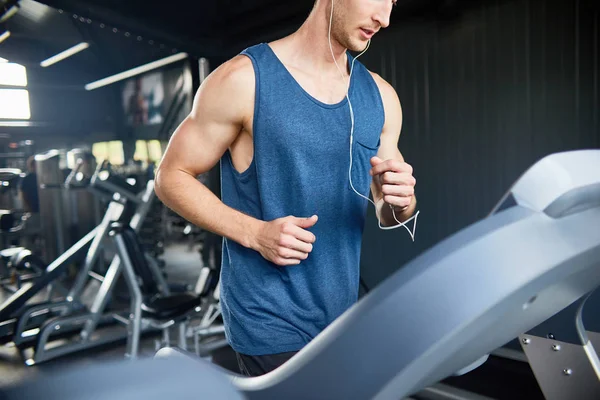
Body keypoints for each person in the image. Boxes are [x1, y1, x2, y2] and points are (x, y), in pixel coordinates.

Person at [155, 0, 417, 377]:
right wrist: (256, 233)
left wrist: (402, 200)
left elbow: (388, 214)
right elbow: (170, 176)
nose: (385, 18)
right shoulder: (244, 79)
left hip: (342, 314)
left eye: (392, 2)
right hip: (269, 319)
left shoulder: (381, 96)